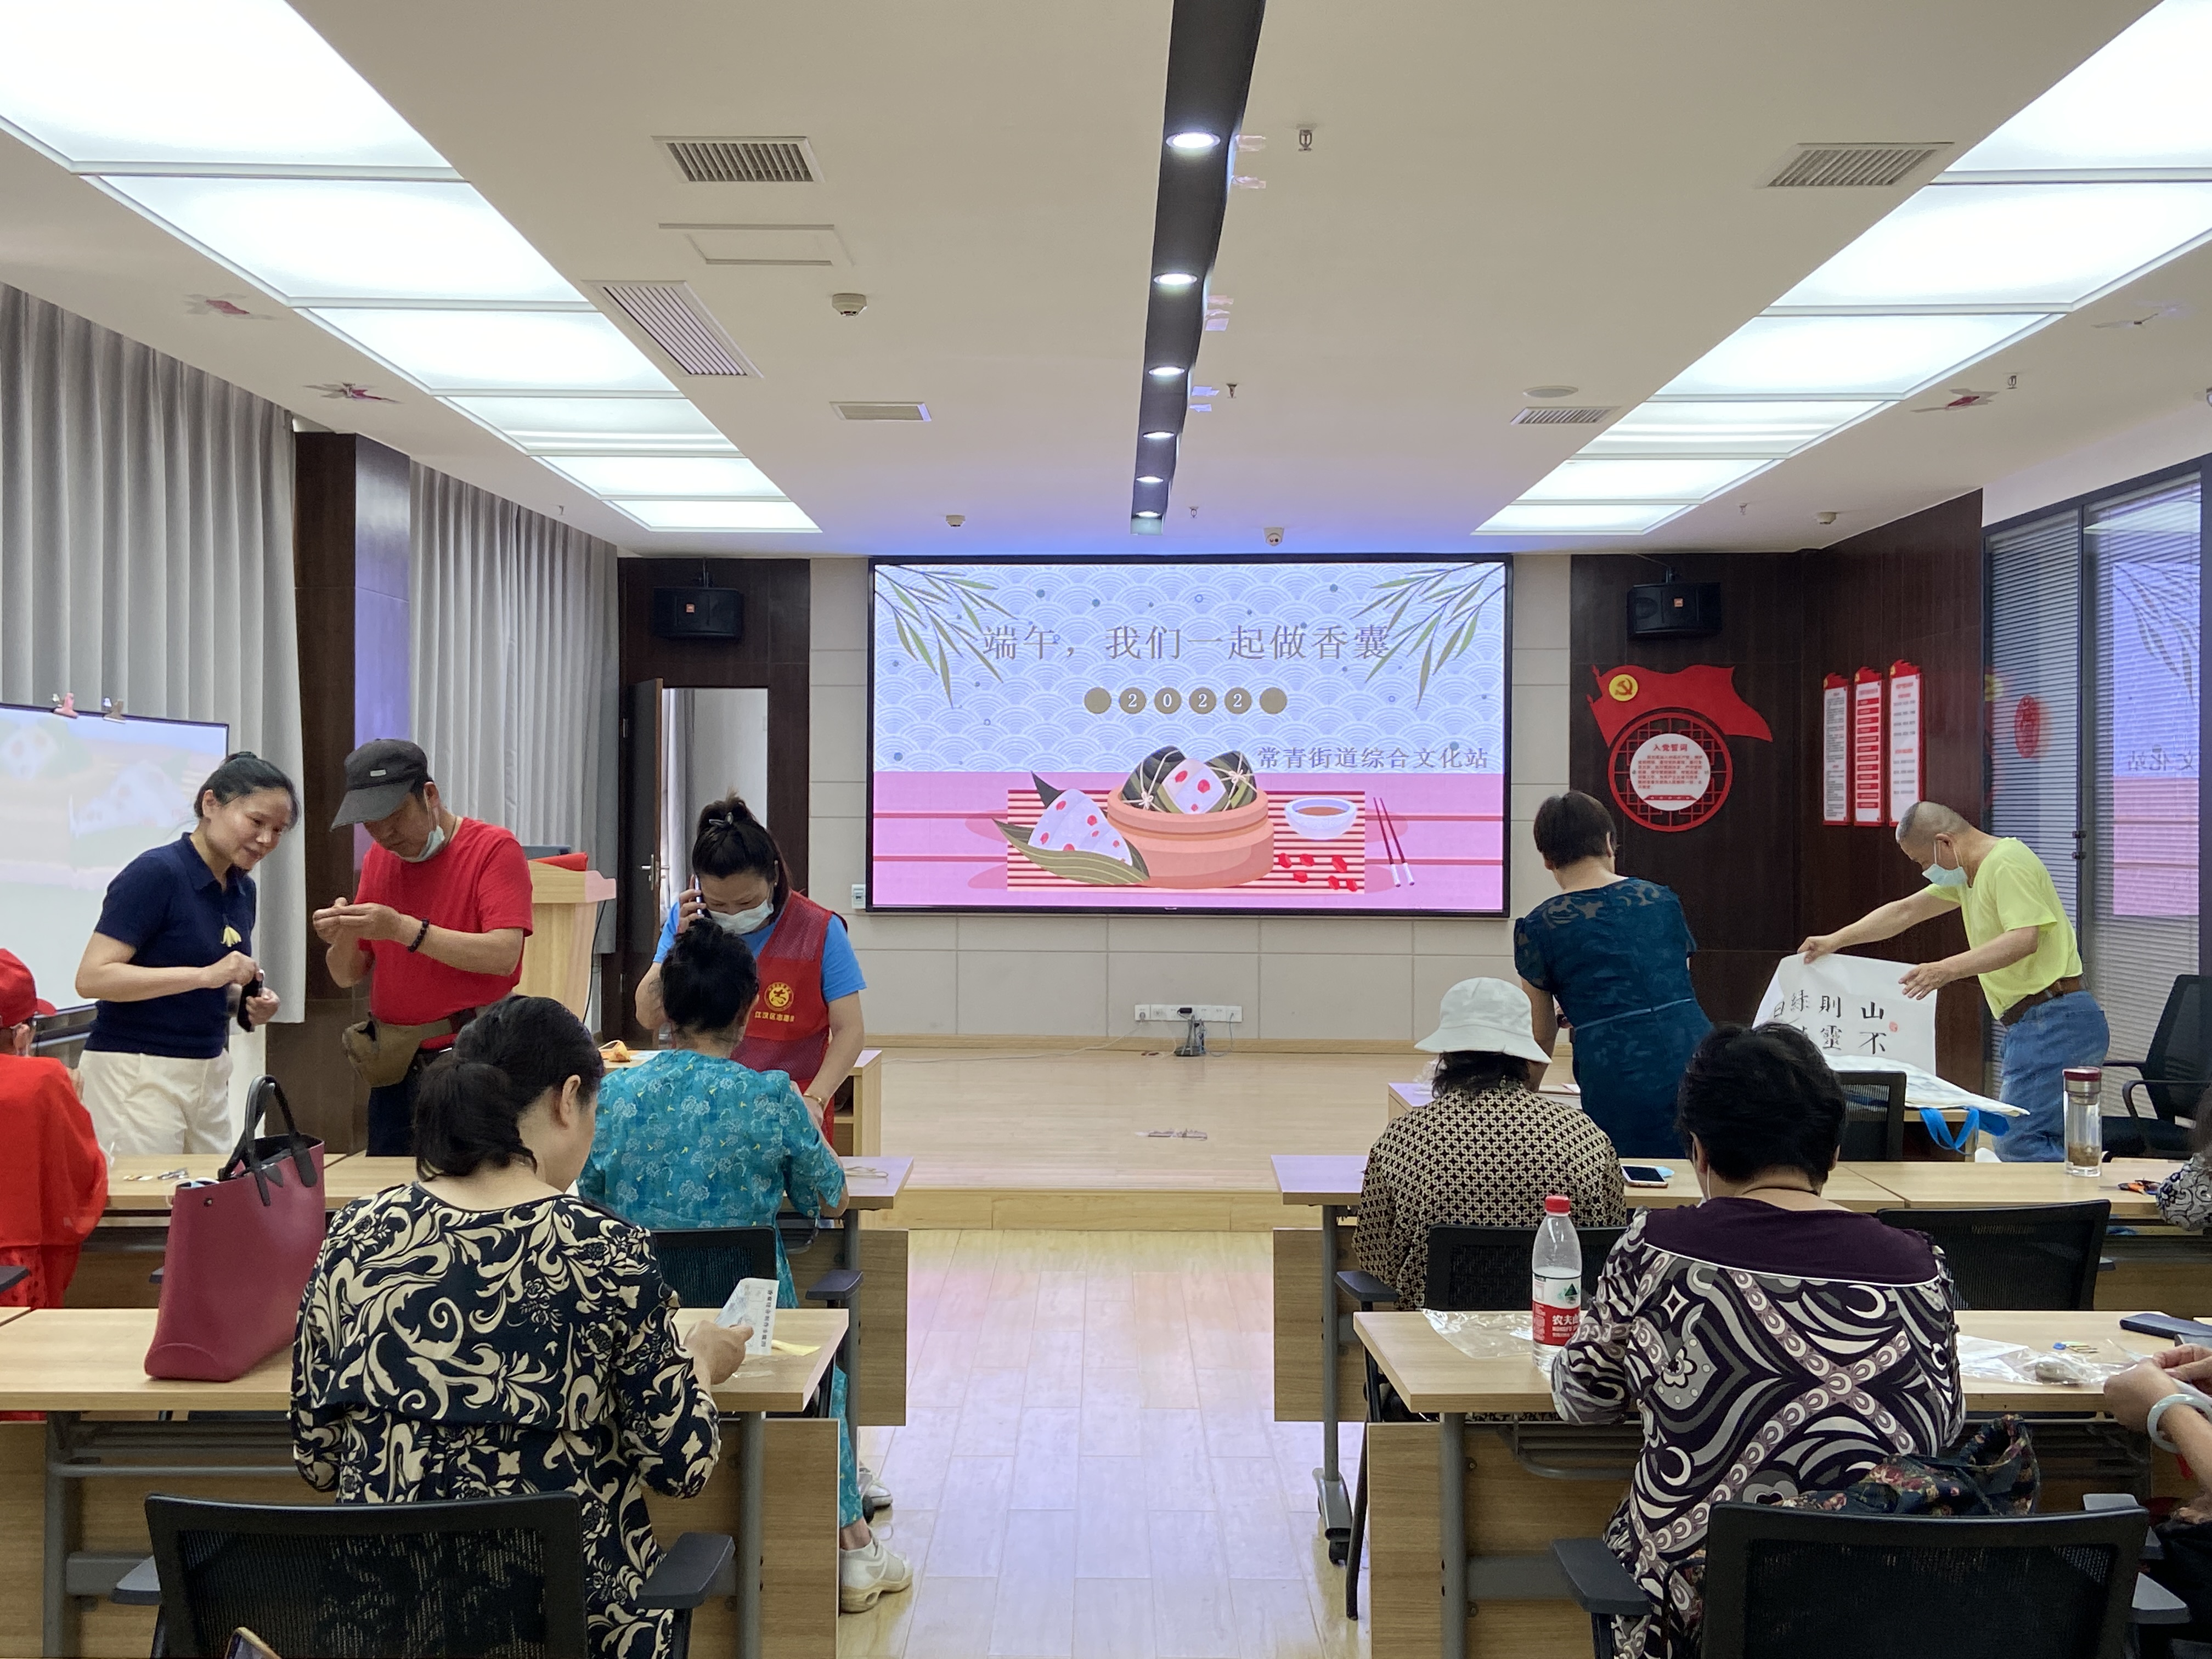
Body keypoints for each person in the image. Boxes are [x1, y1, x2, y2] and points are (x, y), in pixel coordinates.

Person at [292, 995, 749, 1659]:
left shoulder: (358, 1234)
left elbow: (318, 1457)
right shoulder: (605, 1250)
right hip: (571, 1631)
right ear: (568, 1099)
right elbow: (680, 1465)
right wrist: (701, 1362)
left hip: (385, 1632)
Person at [1551, 1023, 1962, 1659]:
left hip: (1696, 1625)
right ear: (1833, 1153)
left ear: (1699, 1153)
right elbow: (1947, 1425)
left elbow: (1584, 1399)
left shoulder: (1655, 1247)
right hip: (1889, 1619)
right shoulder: (1920, 1266)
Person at [586, 920, 911, 1614]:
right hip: (754, 1329)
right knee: (830, 1383)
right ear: (749, 1007)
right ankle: (852, 1547)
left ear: (667, 1009)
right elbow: (832, 1196)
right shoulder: (771, 1097)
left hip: (643, 1329)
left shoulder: (612, 1097)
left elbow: (588, 1202)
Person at [1801, 799, 2109, 1163]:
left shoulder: (2007, 863)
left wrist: (1945, 969)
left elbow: (2024, 939)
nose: (1925, 871)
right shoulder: (1968, 875)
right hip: (2034, 1021)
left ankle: (2083, 1200)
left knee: (2020, 1140)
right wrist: (1835, 940)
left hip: (2054, 1018)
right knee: (2037, 1139)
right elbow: (1905, 911)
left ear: (1945, 842)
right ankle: (2082, 1195)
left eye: (1923, 861)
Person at [314, 740, 534, 1156]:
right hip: (394, 1062)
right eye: (370, 824)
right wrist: (342, 933)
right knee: (392, 1181)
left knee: (470, 1178)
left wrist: (404, 929)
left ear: (429, 795)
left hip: (472, 1058)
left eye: (395, 817)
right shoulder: (380, 859)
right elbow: (346, 975)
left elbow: (503, 955)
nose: (385, 835)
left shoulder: (493, 849)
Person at [1355, 977, 1627, 1307]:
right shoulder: (1584, 1136)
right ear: (1525, 1055)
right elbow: (1610, 1241)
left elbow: (1377, 1260)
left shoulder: (1403, 1139)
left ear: (1447, 1055)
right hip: (1556, 1330)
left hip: (1430, 1334)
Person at [72, 752, 293, 1154]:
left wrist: (246, 1003)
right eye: (256, 822)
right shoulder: (157, 873)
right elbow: (92, 978)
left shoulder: (242, 889)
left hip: (208, 1069)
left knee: (211, 1192)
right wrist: (205, 975)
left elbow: (210, 988)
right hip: (135, 1069)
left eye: (278, 830)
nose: (266, 840)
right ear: (211, 804)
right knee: (148, 1195)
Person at [632, 794, 865, 1136]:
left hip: (789, 1108)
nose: (733, 914)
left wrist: (816, 1099)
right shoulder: (686, 922)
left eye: (746, 902)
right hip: (699, 1109)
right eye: (718, 903)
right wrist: (679, 947)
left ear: (774, 876)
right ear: (697, 888)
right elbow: (647, 1015)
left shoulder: (819, 930)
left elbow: (850, 1030)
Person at [1515, 790, 1710, 1156]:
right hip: (1696, 1052)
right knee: (1702, 1162)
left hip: (1615, 1064)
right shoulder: (1661, 900)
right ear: (1609, 842)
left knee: (1633, 1173)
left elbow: (1541, 1034)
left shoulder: (1539, 927)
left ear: (1546, 859)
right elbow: (1672, 979)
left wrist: (1523, 1099)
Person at [0, 950, 106, 1308]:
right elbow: (81, 1172)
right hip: (11, 1268)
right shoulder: (42, 1079)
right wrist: (72, 1103)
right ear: (21, 1035)